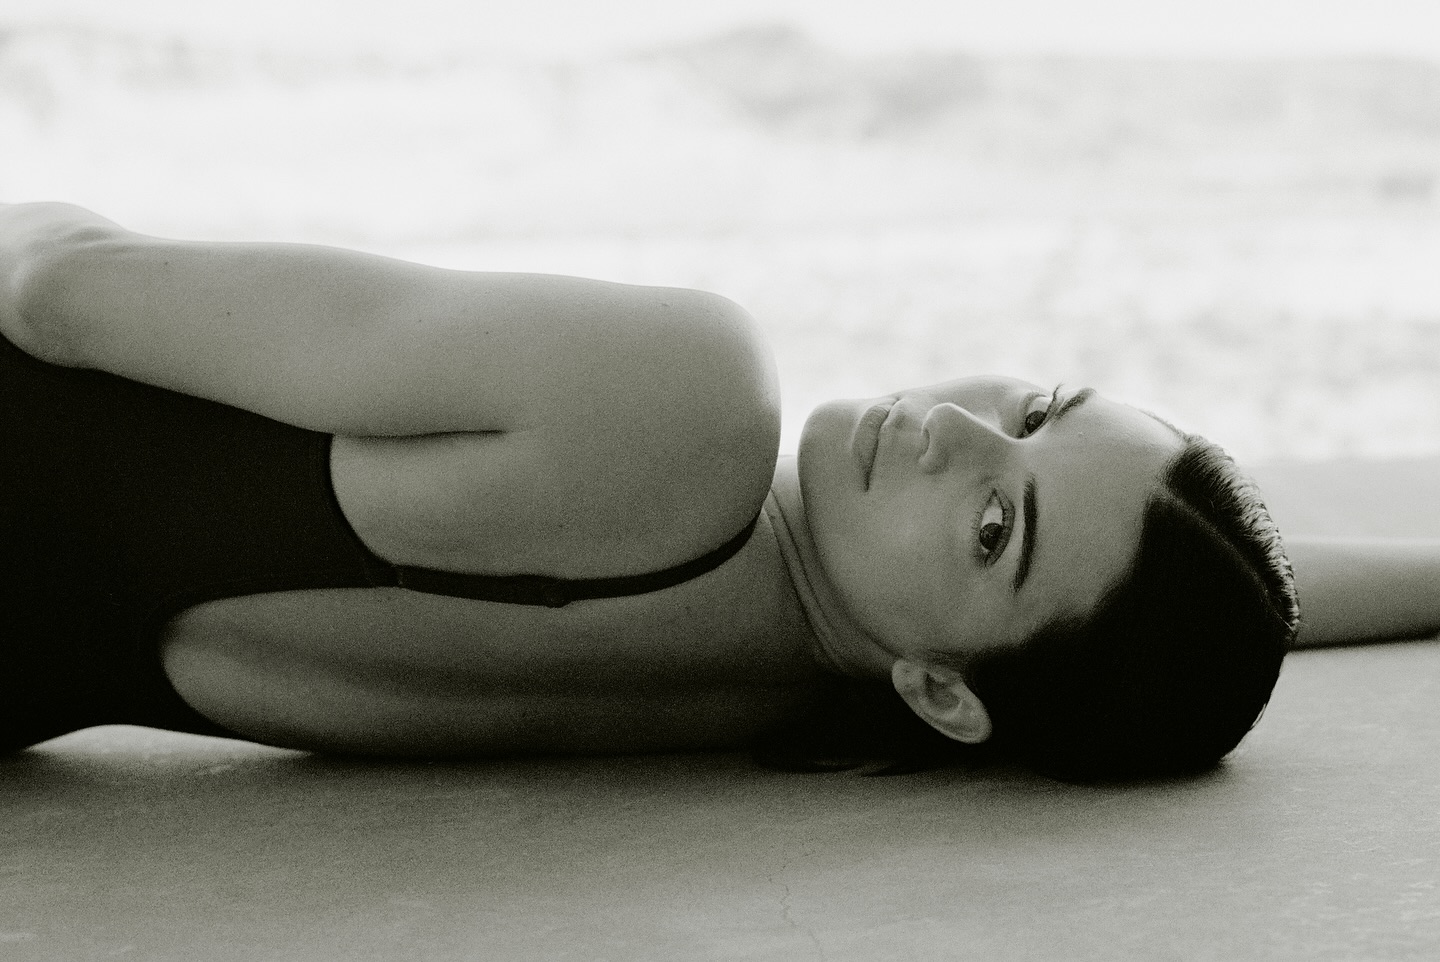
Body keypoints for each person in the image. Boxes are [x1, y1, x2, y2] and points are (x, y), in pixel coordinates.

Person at [0, 202, 1432, 782]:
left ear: (945, 690)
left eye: (997, 520)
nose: (953, 428)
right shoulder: (788, 701)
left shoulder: (686, 405)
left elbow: (59, 288)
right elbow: (1183, 609)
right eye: (1041, 410)